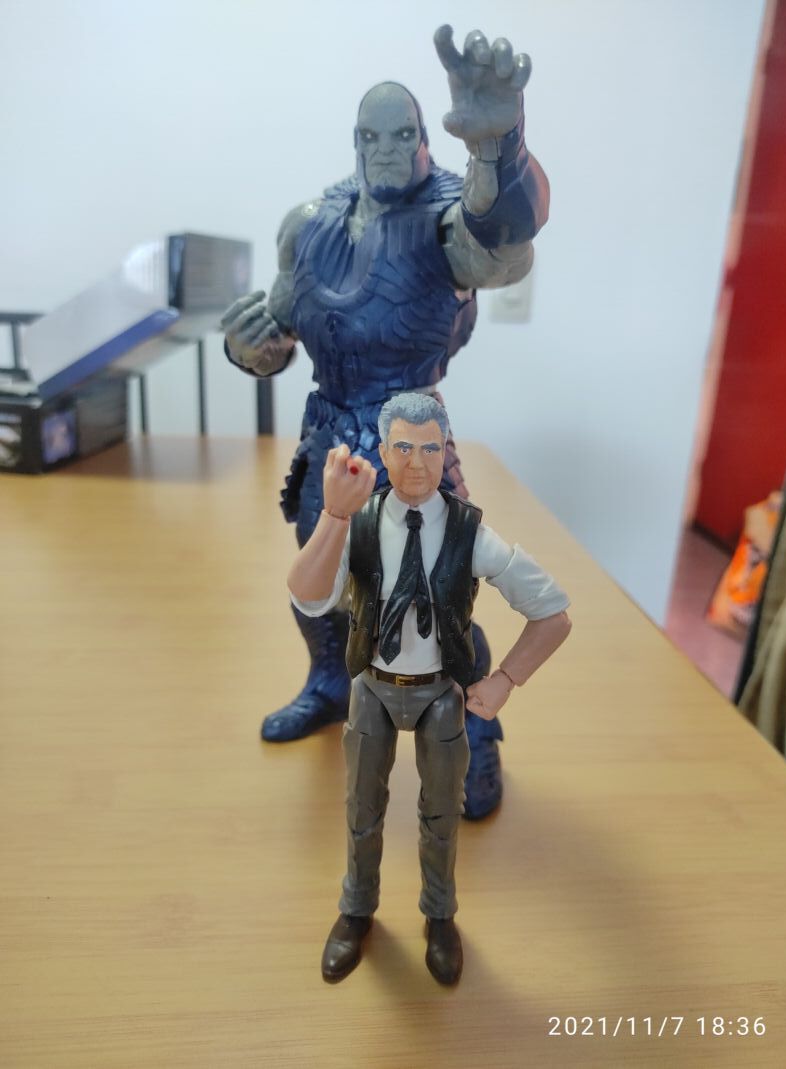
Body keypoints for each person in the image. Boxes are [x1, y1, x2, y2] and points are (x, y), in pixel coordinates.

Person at [222, 25, 551, 820]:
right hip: (330, 432)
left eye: (403, 134)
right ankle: (329, 683)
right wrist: (249, 346)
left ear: (423, 137)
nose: (387, 150)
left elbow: (502, 243)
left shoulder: (447, 216)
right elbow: (276, 330)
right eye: (372, 137)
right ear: (355, 141)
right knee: (320, 582)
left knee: (439, 601)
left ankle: (475, 731)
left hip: (411, 436)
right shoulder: (313, 220)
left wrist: (499, 147)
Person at [288, 393, 571, 984]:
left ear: (447, 452)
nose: (416, 463)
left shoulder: (470, 533)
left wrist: (505, 679)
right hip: (373, 688)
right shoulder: (361, 523)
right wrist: (333, 515)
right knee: (362, 809)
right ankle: (356, 908)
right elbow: (308, 597)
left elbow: (552, 613)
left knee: (442, 814)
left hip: (442, 692)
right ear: (382, 452)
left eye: (430, 448)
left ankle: (439, 915)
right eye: (402, 447)